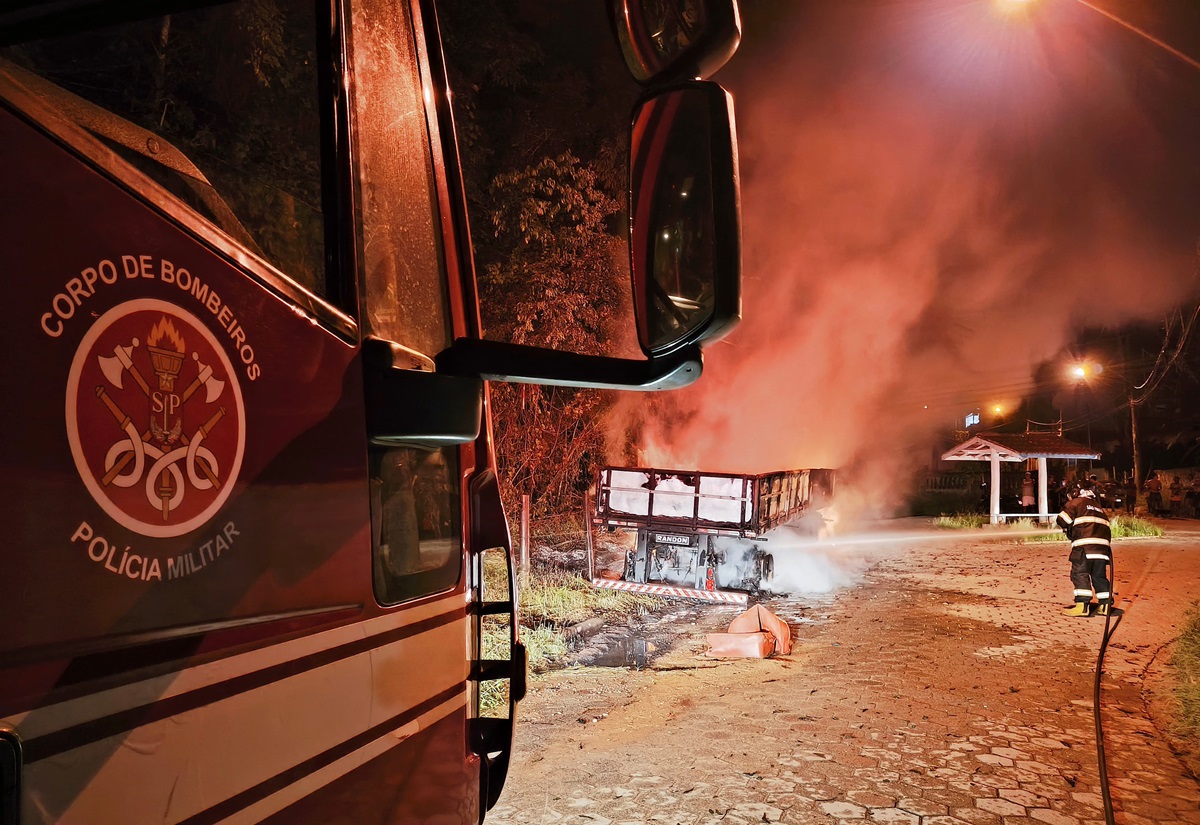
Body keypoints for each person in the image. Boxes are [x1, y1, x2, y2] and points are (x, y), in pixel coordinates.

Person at [1056, 479, 1113, 617]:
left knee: (1079, 574)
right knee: (1099, 576)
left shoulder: (1076, 503)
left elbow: (1062, 520)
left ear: (1075, 492)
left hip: (1084, 548)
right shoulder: (1099, 508)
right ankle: (1105, 605)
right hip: (1102, 550)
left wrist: (1068, 528)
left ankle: (1082, 606)